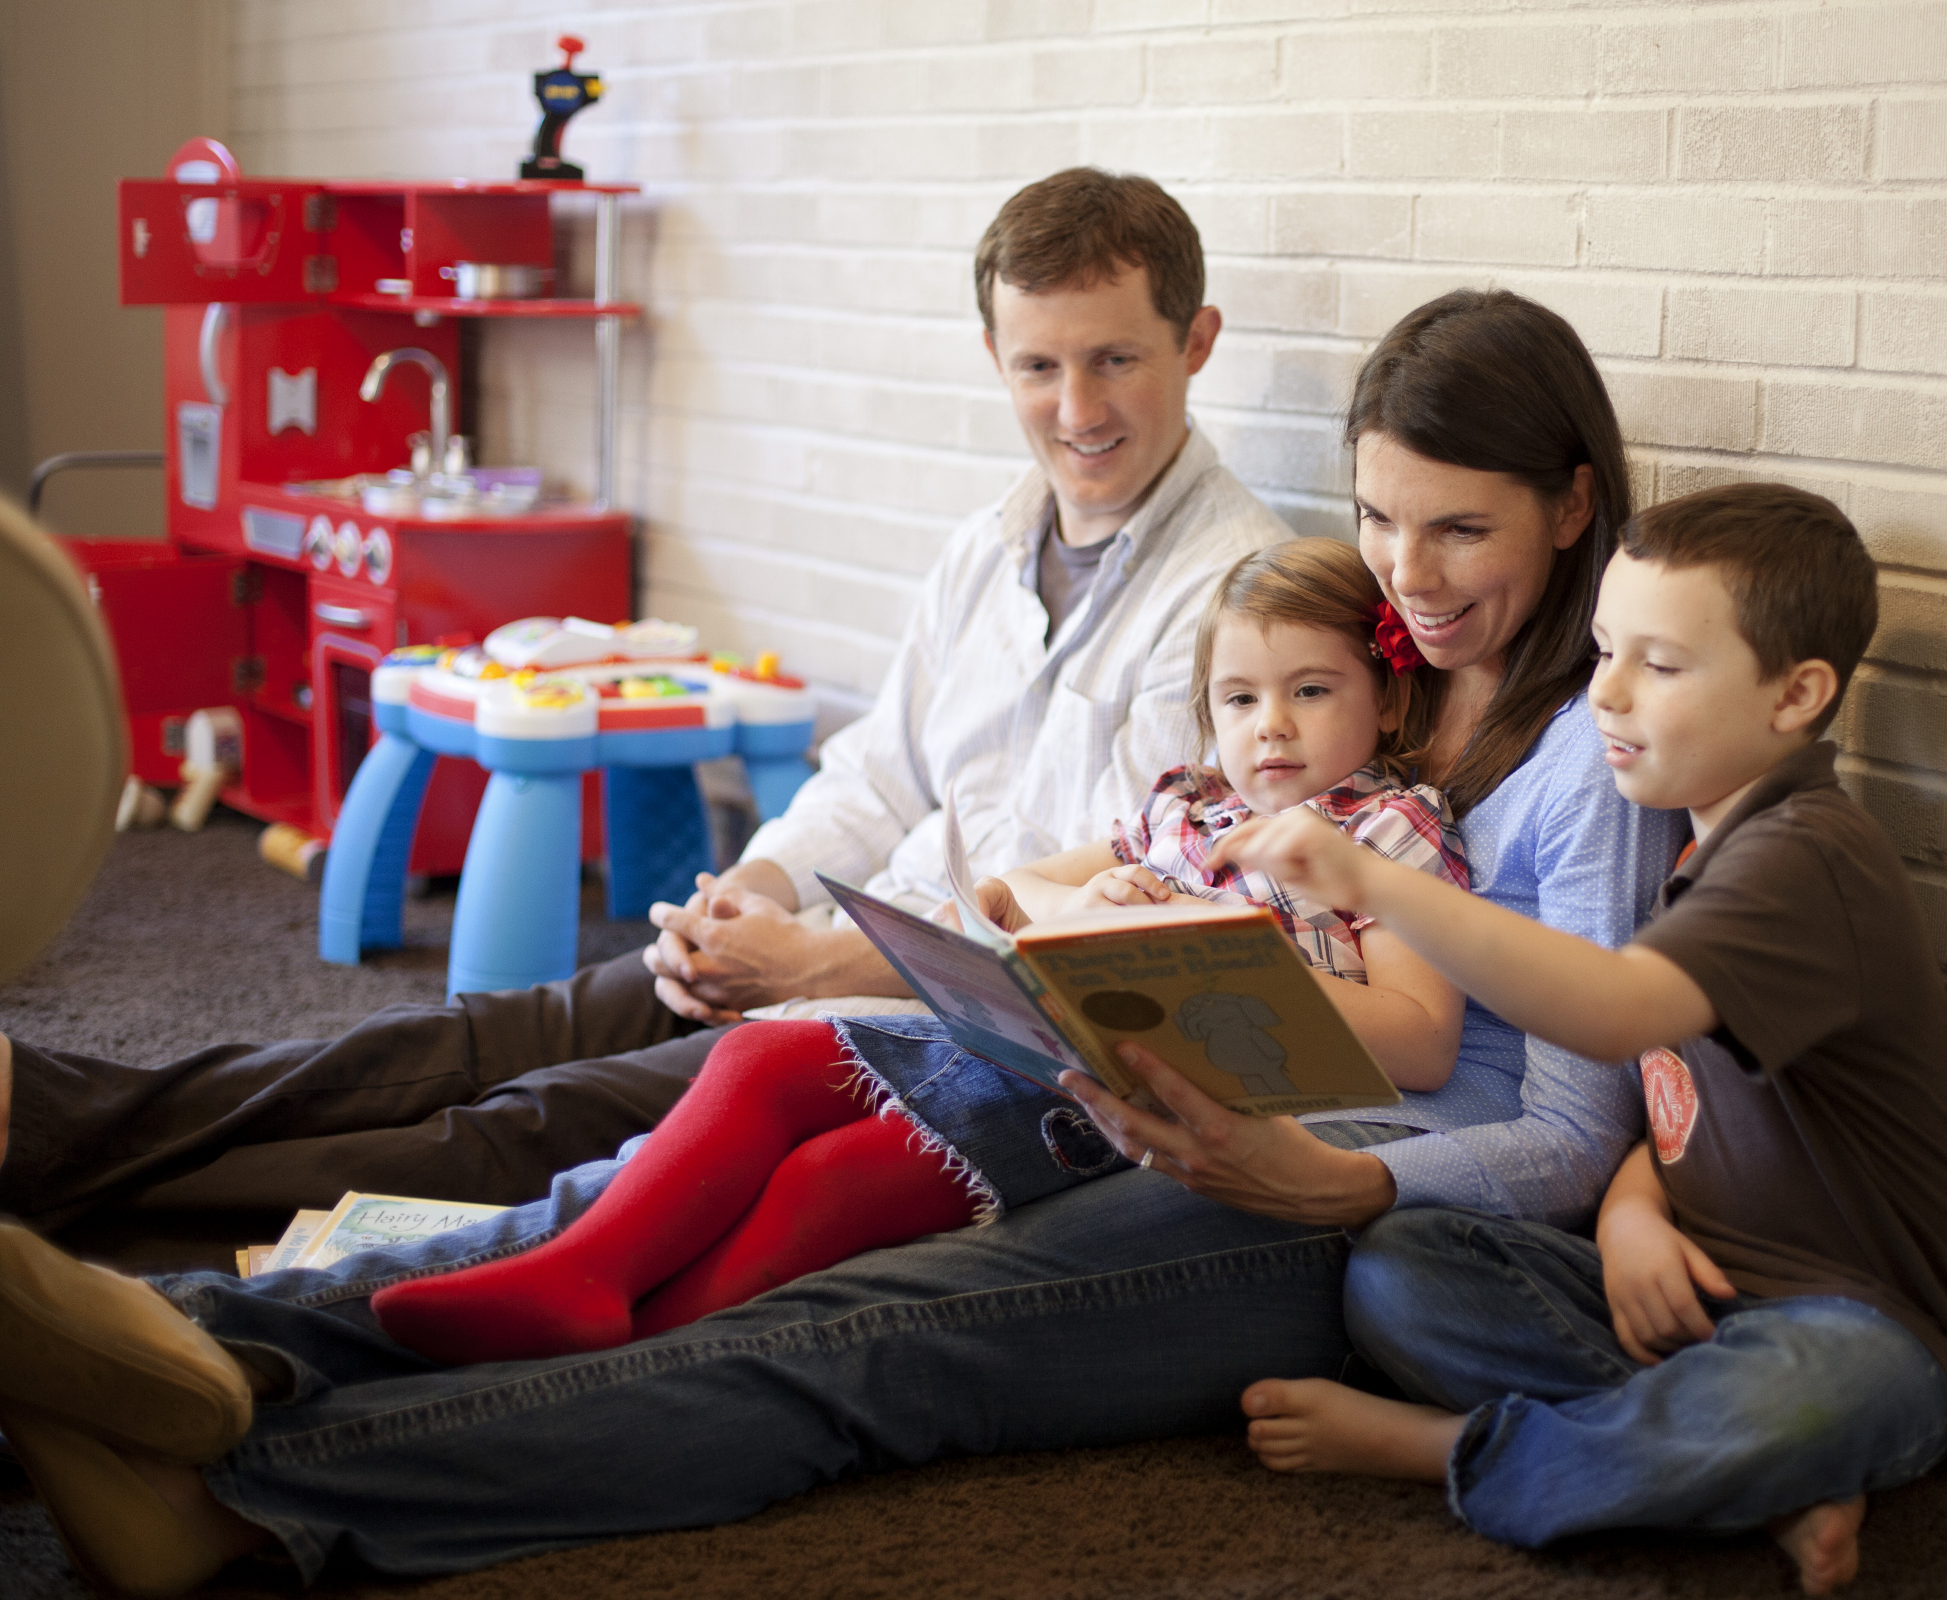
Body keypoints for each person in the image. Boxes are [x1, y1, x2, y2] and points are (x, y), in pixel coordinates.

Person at [0, 289, 1690, 1591]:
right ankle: (205, 1347)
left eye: (1459, 529)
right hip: (1147, 1084)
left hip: (1318, 1190)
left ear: (1570, 505)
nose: (1413, 572)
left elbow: (1566, 1118)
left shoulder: (1585, 761)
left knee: (851, 1327)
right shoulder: (1375, 671)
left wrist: (1342, 1185)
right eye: (1390, 523)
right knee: (624, 1185)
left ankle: (244, 1503)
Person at [0, 166, 1293, 1236]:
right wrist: (759, 897)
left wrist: (812, 964)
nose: (1074, 411)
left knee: (523, 1123)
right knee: (477, 1035)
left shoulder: (1235, 603)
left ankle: (86, 1212)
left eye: (1115, 360)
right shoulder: (989, 542)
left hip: (945, 1034)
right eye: (1038, 367)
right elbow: (879, 776)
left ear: (1197, 342)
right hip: (830, 945)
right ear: (993, 356)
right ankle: (50, 1112)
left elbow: (1102, 928)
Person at [367, 539, 1471, 1365]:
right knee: (756, 1062)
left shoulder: (1390, 832)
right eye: (1240, 698)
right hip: (1045, 1040)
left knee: (838, 1180)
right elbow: (1020, 884)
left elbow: (1423, 1040)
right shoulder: (1189, 806)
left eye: (1310, 691)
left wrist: (1244, 961)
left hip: (1162, 1106)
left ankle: (634, 1345)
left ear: (1385, 693)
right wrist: (1091, 895)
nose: (1270, 726)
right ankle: (584, 1272)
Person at [1217, 483, 1947, 1596]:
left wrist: (1367, 879)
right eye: (1602, 652)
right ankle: (1740, 1474)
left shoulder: (1807, 859)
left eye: (1659, 666)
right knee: (1404, 1270)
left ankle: (1445, 1449)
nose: (1607, 696)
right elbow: (1685, 1100)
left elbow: (1615, 1012)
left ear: (1796, 694)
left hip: (1859, 1326)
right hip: (1689, 1294)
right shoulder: (1699, 846)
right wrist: (1631, 1212)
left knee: (1810, 1393)